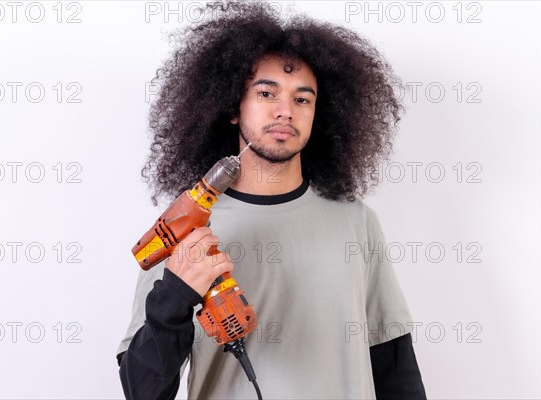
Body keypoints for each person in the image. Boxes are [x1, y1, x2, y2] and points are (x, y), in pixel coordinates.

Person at [117, 1, 427, 398]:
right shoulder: (185, 231)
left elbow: (394, 365)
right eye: (266, 93)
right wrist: (175, 293)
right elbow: (142, 391)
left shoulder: (356, 222)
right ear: (232, 107)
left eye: (302, 99)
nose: (285, 111)